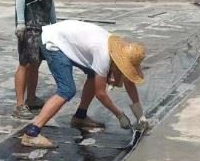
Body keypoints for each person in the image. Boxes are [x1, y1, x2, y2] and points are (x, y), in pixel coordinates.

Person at [20, 20, 149, 149]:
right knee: (67, 90)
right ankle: (32, 133)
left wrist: (140, 115)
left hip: (65, 39)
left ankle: (80, 117)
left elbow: (128, 81)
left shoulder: (117, 48)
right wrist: (119, 115)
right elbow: (100, 93)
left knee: (93, 74)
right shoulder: (103, 55)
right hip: (54, 42)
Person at [13, 0, 61, 120]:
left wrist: (54, 23)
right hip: (29, 20)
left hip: (42, 21)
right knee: (25, 62)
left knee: (36, 62)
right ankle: (19, 104)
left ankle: (32, 98)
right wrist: (20, 22)